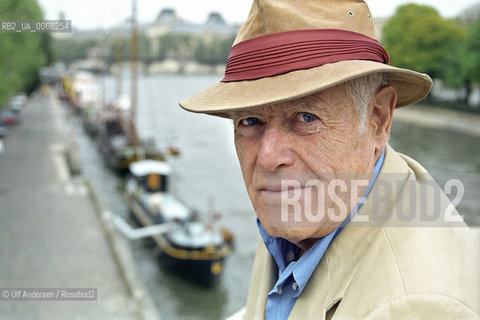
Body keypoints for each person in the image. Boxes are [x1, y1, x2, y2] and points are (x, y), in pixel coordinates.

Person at [179, 0, 480, 319]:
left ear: (378, 118)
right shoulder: (302, 210)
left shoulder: (417, 306)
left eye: (306, 117)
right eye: (250, 121)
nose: (268, 158)